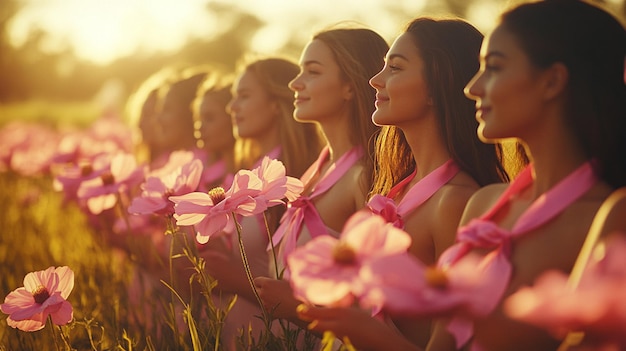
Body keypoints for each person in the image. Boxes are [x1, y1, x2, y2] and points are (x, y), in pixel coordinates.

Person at [299, 1, 626, 350]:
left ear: (552, 81)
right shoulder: (485, 205)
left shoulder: (605, 217)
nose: (473, 88)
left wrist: (364, 331)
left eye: (495, 67)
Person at [253, 25, 389, 335]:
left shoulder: (364, 176)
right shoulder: (316, 171)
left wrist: (297, 308)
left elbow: (372, 309)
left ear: (350, 87)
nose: (295, 83)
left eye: (312, 72)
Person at [196, 57, 324, 350]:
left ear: (276, 103)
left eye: (244, 96)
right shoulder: (250, 172)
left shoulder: (292, 176)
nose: (232, 108)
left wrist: (234, 278)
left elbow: (294, 292)